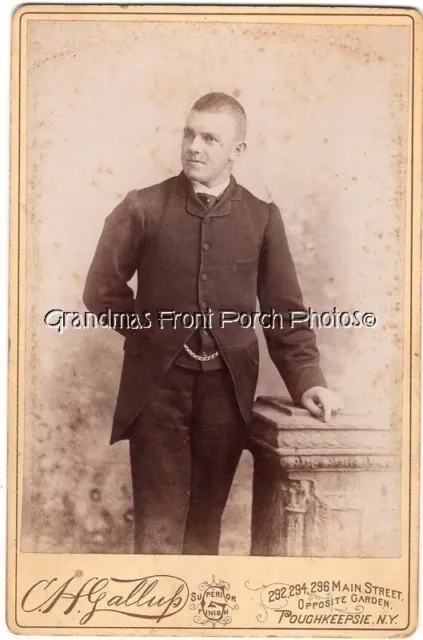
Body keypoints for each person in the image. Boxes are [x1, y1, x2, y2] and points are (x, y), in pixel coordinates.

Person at [83, 92, 343, 556]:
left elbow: (285, 312)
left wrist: (309, 382)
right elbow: (101, 290)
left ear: (236, 151)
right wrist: (153, 334)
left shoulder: (262, 218)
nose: (194, 147)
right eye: (188, 133)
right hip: (158, 395)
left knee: (204, 533)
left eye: (209, 137)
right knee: (158, 537)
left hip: (226, 395)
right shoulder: (143, 207)